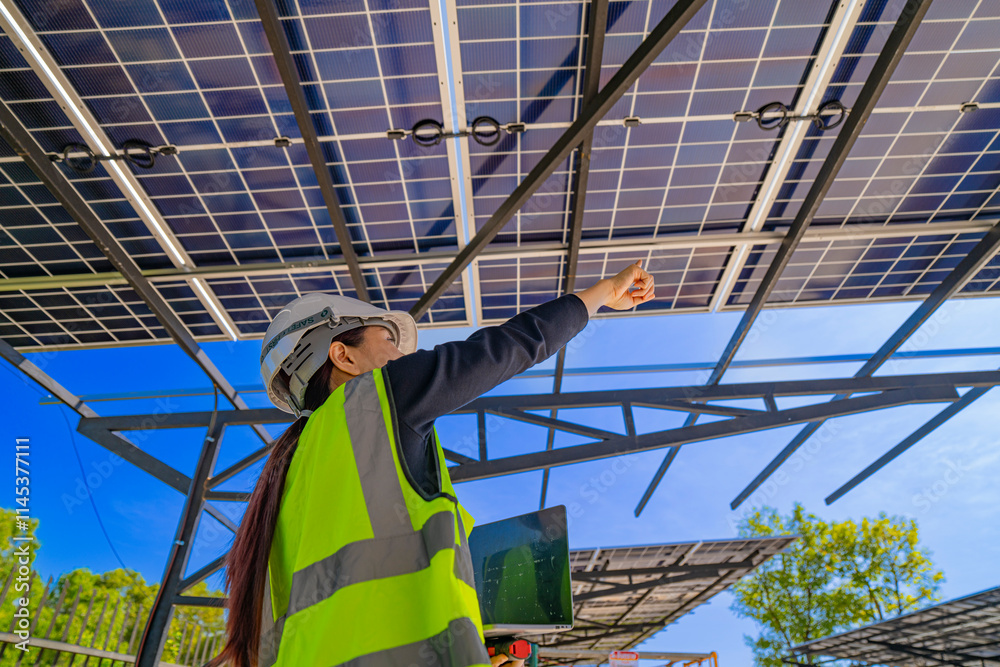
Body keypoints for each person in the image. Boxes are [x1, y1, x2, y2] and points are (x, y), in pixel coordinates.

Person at [206, 261, 655, 667]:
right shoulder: (377, 399)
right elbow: (512, 345)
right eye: (388, 342)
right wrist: (602, 293)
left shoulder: (284, 477)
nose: (402, 357)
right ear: (343, 355)